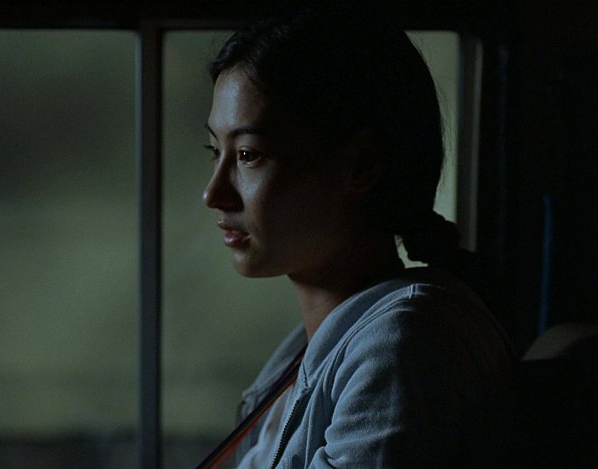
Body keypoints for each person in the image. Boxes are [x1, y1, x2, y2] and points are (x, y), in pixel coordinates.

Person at [198, 4, 516, 468]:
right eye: (214, 151)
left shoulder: (398, 348)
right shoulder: (312, 351)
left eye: (249, 155)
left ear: (360, 166)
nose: (213, 193)